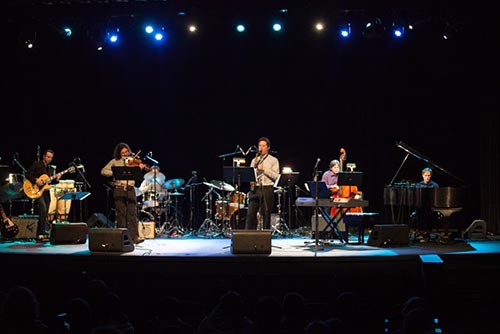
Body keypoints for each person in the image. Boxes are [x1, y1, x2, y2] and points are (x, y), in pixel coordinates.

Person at [101, 142, 146, 244]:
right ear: (119, 153)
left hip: (130, 189)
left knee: (132, 213)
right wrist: (116, 172)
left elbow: (137, 175)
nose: (125, 154)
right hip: (119, 188)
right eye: (122, 152)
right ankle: (121, 237)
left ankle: (134, 237)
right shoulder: (115, 161)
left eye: (126, 151)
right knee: (121, 214)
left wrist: (140, 168)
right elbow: (103, 171)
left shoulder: (133, 161)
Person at [25, 148, 61, 242]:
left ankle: (42, 232)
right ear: (44, 156)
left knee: (45, 212)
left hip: (45, 192)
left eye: (51, 158)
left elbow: (50, 183)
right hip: (36, 191)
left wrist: (57, 179)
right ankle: (40, 233)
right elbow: (27, 174)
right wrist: (36, 181)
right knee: (43, 208)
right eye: (48, 157)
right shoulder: (37, 164)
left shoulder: (50, 168)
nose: (49, 159)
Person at [246, 137, 280, 230]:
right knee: (250, 214)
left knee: (266, 213)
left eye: (263, 146)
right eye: (259, 145)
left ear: (268, 147)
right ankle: (248, 236)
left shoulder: (274, 160)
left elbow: (276, 176)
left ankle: (265, 236)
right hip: (255, 188)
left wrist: (264, 169)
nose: (261, 148)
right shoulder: (254, 160)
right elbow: (250, 174)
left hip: (267, 188)